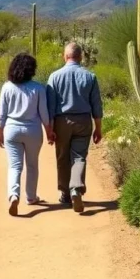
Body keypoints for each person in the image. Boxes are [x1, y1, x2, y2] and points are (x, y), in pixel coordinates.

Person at [45, 43, 103, 213]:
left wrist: (50, 129)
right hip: (84, 120)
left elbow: (51, 106)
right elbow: (97, 105)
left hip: (62, 121)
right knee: (79, 157)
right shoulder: (90, 77)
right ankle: (76, 189)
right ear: (81, 57)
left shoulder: (54, 77)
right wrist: (98, 128)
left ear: (65, 56)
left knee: (63, 156)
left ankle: (65, 194)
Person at [0, 53, 55, 216]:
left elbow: (2, 113)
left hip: (12, 130)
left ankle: (14, 195)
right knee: (32, 165)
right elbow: (44, 114)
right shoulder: (38, 88)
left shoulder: (7, 87)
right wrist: (49, 131)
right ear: (32, 70)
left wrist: (0, 131)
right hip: (33, 131)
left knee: (15, 166)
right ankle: (31, 197)